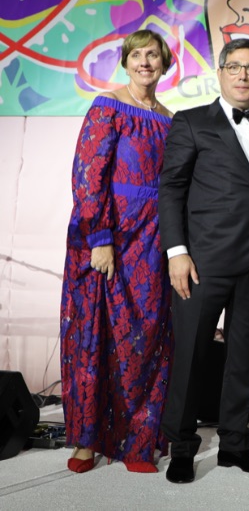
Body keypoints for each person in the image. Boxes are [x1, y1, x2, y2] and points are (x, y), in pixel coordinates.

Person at [158, 38, 249, 483]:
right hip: (203, 262)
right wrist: (176, 253)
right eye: (234, 67)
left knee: (244, 357)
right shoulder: (192, 122)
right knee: (192, 357)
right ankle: (181, 446)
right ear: (220, 73)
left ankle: (235, 444)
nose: (243, 75)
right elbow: (171, 189)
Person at [60, 29, 175, 474]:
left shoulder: (171, 118)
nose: (145, 62)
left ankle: (138, 442)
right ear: (126, 62)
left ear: (165, 65)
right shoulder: (107, 105)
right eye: (137, 55)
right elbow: (88, 175)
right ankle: (87, 442)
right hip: (107, 234)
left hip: (153, 238)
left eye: (153, 55)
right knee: (96, 333)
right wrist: (100, 239)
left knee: (146, 339)